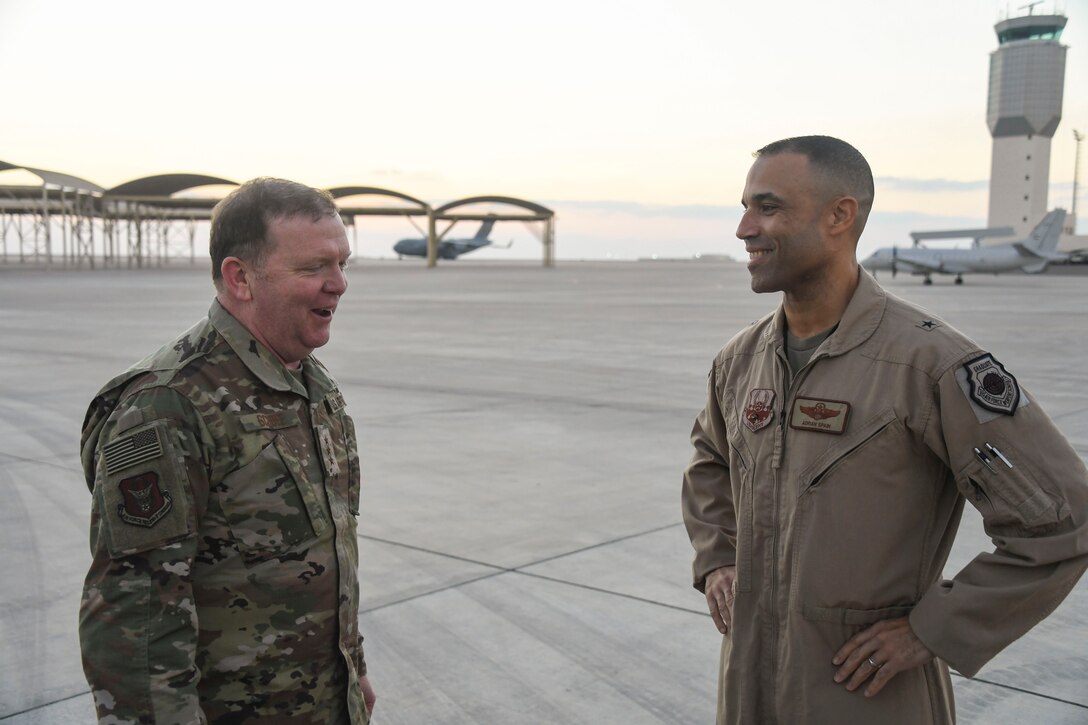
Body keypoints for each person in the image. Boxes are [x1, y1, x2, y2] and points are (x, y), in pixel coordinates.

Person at [681, 135, 1088, 724]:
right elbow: (709, 462)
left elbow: (1064, 520)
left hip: (866, 694)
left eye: (767, 207)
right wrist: (718, 558)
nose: (744, 228)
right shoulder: (739, 361)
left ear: (840, 215)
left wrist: (933, 630)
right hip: (750, 684)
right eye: (745, 207)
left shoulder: (929, 364)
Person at [79, 177, 376, 723]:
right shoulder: (168, 405)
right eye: (313, 268)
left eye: (342, 265)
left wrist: (351, 670)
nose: (338, 284)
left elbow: (331, 546)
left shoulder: (311, 385)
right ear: (240, 277)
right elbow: (135, 615)